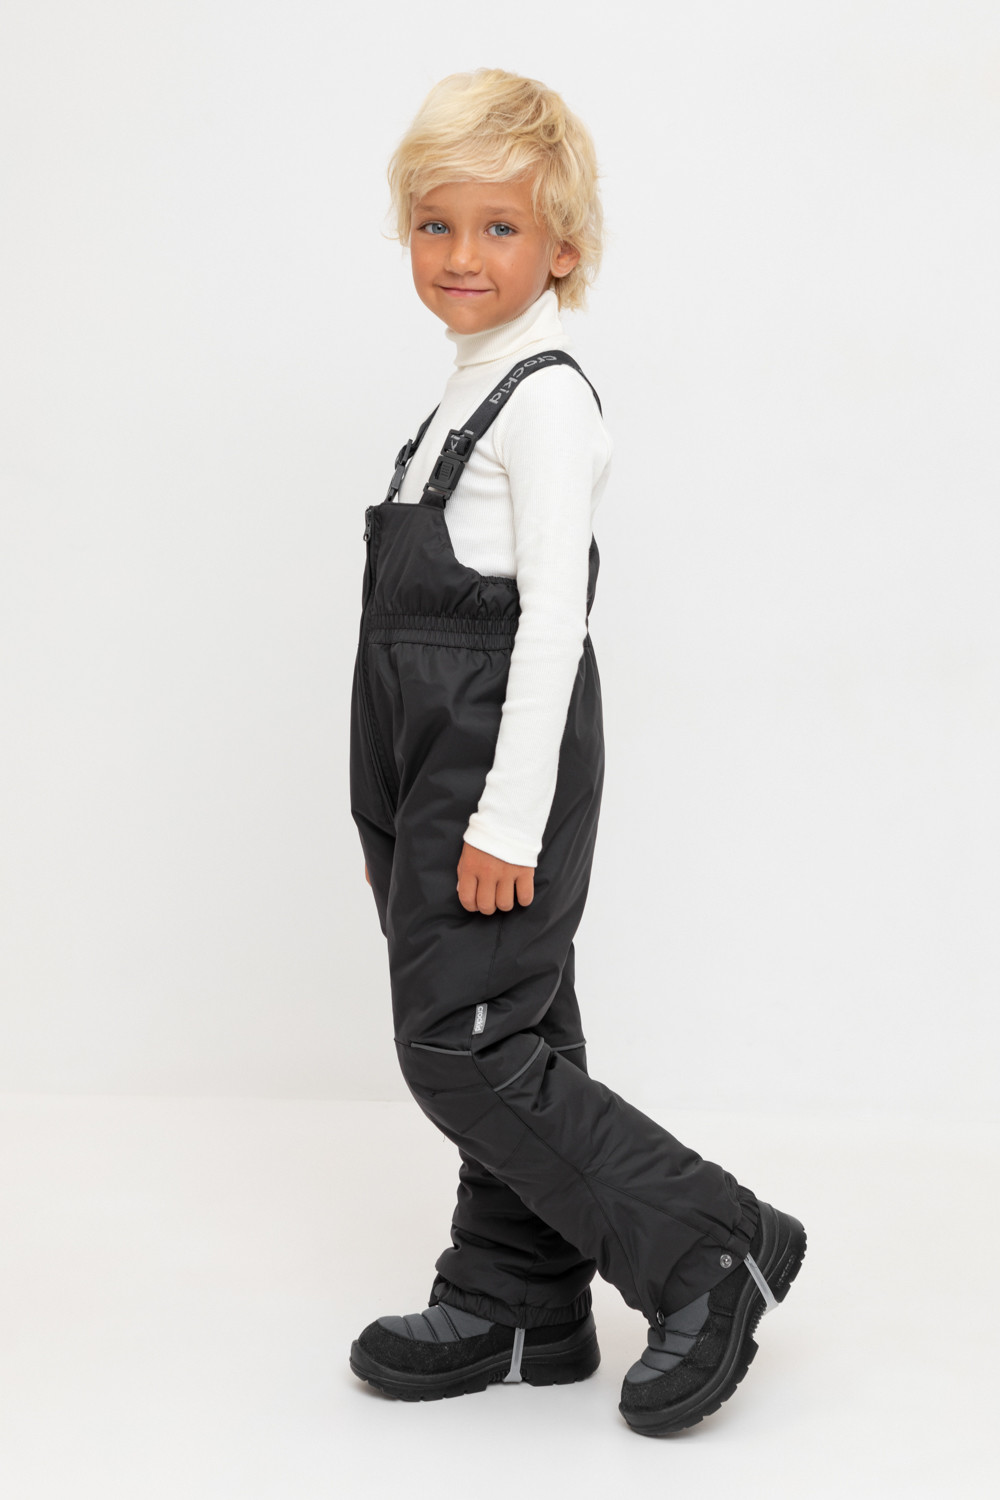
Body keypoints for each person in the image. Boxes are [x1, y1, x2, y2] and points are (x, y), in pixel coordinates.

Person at [347, 66, 805, 1436]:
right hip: (421, 756)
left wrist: (505, 820)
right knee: (518, 1024)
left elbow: (553, 622)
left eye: (500, 227)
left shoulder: (545, 401)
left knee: (459, 1042)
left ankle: (707, 1243)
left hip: (494, 762)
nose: (462, 254)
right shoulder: (461, 396)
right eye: (437, 224)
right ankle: (519, 1296)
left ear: (563, 247)